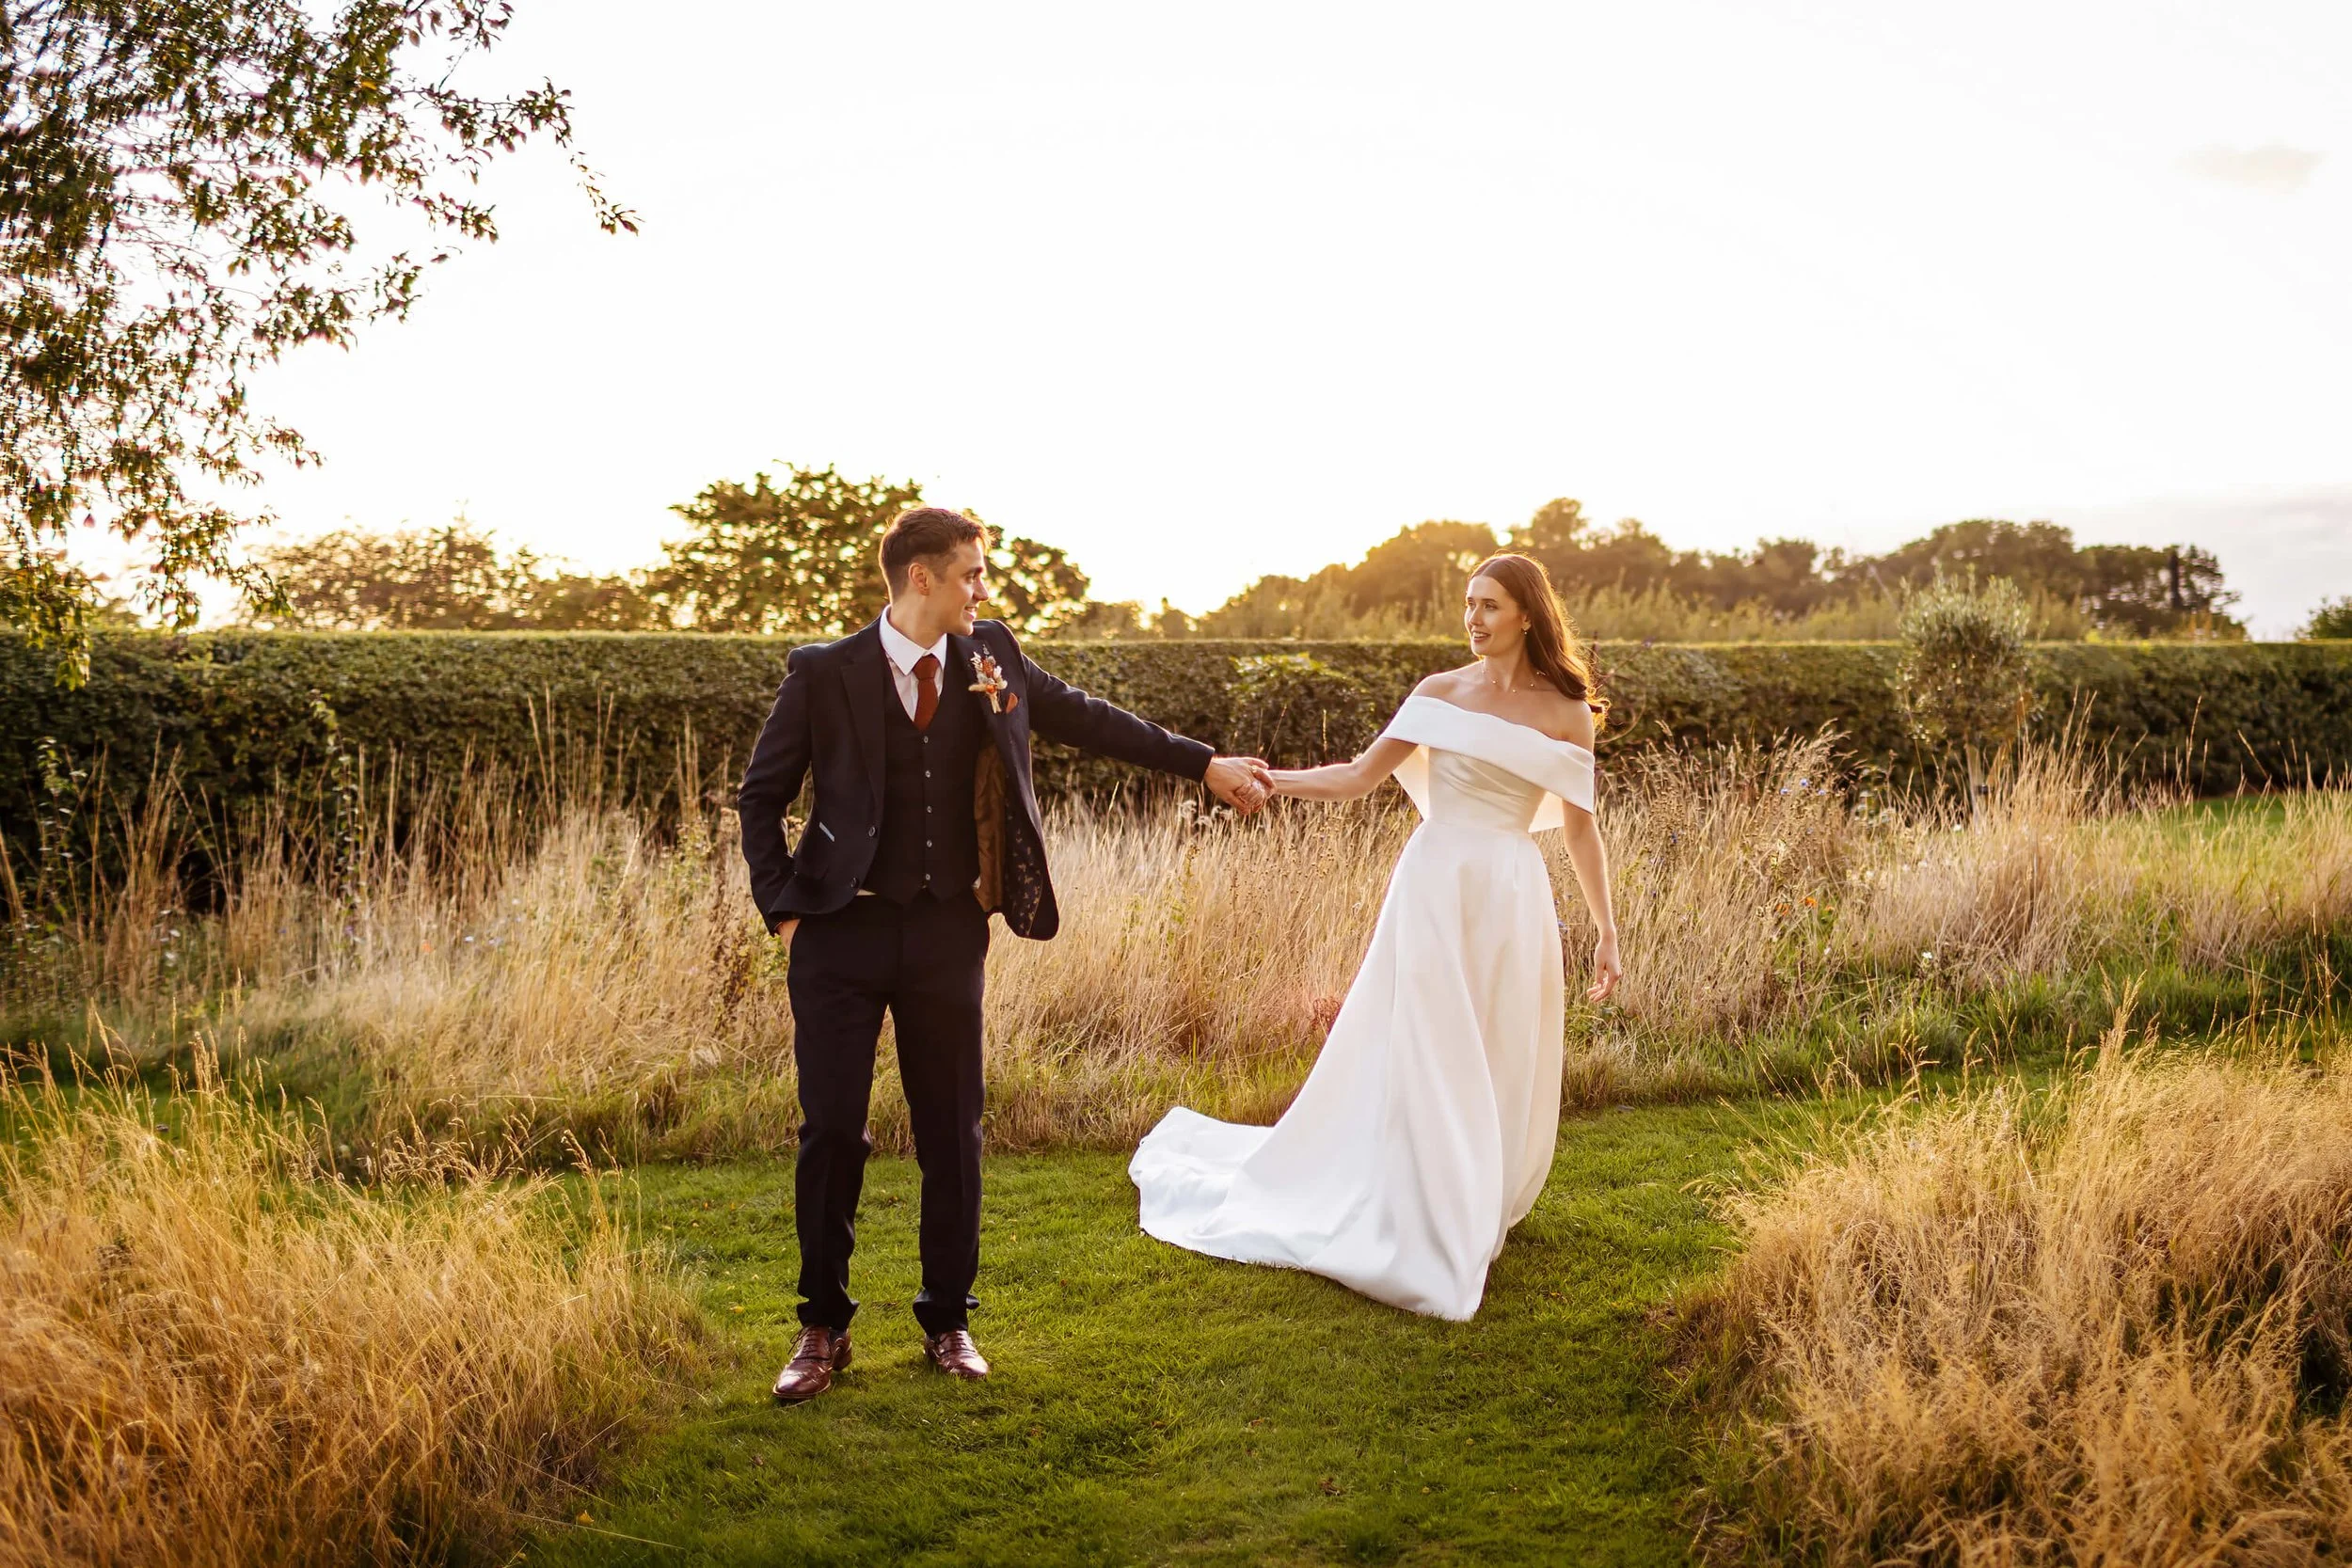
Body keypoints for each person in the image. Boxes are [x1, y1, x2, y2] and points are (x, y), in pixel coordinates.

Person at [738, 506, 1273, 1402]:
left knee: (953, 1127)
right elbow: (760, 798)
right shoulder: (824, 673)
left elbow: (1092, 719)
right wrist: (786, 914)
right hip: (841, 933)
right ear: (921, 578)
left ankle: (948, 1319)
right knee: (832, 1129)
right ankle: (822, 1327)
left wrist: (1203, 763)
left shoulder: (991, 656)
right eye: (971, 574)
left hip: (948, 930)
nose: (982, 589)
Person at [1129, 552, 1622, 1320]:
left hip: (1510, 889)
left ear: (1527, 613)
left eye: (1490, 605)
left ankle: (1472, 1192)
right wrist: (1272, 780)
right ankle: (1420, 1203)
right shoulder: (1437, 693)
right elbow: (1359, 775)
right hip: (1433, 882)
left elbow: (1584, 833)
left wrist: (1606, 929)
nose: (1474, 619)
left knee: (1495, 1042)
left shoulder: (1564, 713)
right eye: (1468, 604)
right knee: (1428, 1040)